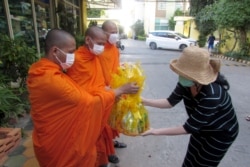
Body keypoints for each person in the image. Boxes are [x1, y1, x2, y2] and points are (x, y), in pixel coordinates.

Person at [26, 29, 132, 167]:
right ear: (54, 51)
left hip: (54, 136)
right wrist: (119, 91)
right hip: (59, 144)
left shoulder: (44, 71)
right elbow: (89, 102)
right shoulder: (49, 78)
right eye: (70, 52)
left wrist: (107, 90)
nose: (73, 56)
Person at [141, 46, 239, 167]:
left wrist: (154, 131)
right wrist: (144, 101)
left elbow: (188, 128)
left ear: (197, 77)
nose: (180, 76)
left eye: (185, 74)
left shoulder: (212, 95)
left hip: (221, 133)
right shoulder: (186, 82)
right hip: (201, 128)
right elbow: (170, 102)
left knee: (203, 164)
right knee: (190, 161)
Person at [66, 26, 139, 167]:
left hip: (101, 103)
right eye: (99, 43)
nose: (102, 47)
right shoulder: (77, 60)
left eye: (103, 44)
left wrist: (111, 91)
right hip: (86, 109)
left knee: (102, 134)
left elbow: (98, 83)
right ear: (88, 40)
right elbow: (80, 90)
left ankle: (103, 158)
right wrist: (115, 91)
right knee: (89, 143)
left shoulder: (94, 57)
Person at [99, 20, 126, 164]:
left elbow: (114, 67)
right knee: (104, 125)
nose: (115, 35)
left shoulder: (114, 48)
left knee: (114, 121)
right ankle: (109, 152)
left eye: (116, 32)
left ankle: (112, 143)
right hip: (103, 92)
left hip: (115, 89)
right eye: (112, 32)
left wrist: (122, 69)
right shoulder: (99, 49)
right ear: (104, 33)